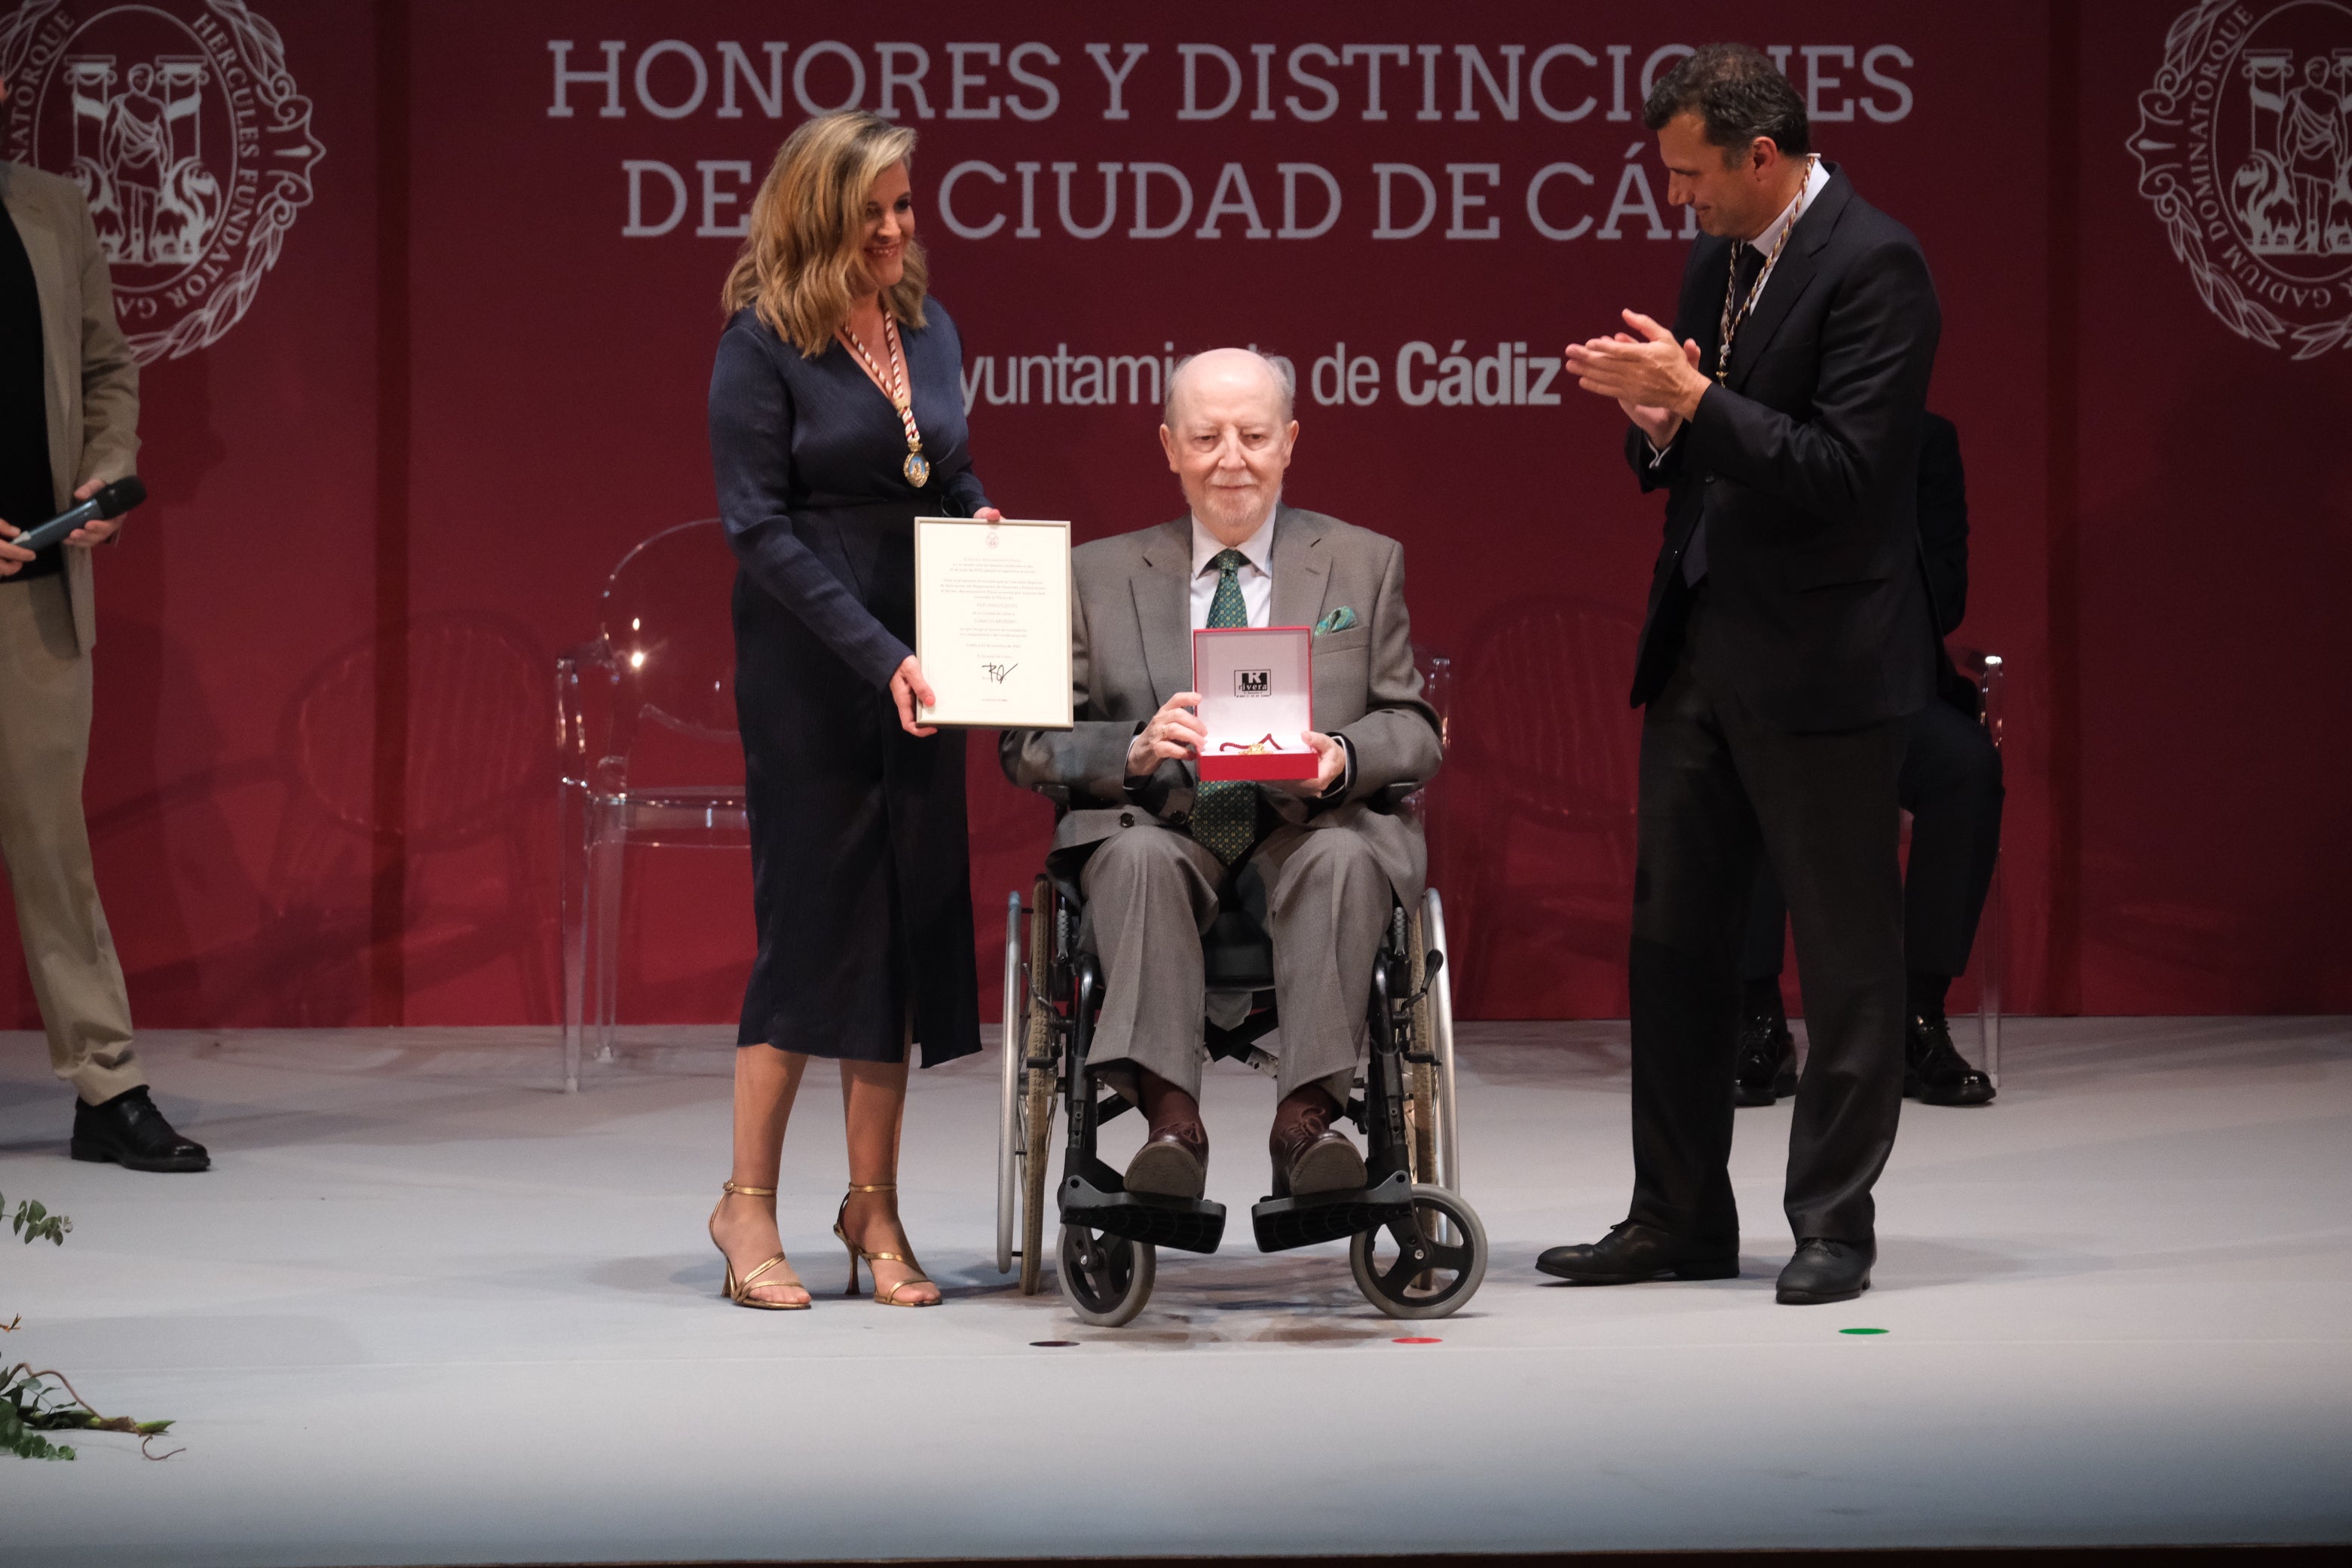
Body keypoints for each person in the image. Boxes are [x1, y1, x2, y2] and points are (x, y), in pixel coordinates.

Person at [1543, 44, 1941, 1306]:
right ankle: (1675, 1216)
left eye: (1692, 174)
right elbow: (1709, 445)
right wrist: (1659, 424)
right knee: (1673, 948)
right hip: (1705, 648)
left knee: (1842, 956)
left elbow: (1845, 474)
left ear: (1762, 157)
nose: (1680, 201)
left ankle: (1833, 1221)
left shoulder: (1878, 264)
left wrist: (1697, 400)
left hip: (1824, 662)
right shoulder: (1719, 259)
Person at [1000, 349, 1441, 1201]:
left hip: (1309, 833)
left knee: (1347, 859)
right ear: (1169, 446)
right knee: (1133, 861)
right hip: (1162, 835)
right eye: (1206, 436)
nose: (1230, 457)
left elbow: (1412, 724)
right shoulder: (1095, 574)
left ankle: (1305, 1125)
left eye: (1252, 435)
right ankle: (1172, 1128)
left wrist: (1344, 756)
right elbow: (1027, 742)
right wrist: (1128, 746)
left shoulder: (1362, 562)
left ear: (1289, 443)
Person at [705, 111, 1000, 1309]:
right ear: (817, 211)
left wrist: (982, 527)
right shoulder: (759, 343)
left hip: (922, 669)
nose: (894, 228)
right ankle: (748, 1208)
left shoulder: (927, 326)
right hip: (815, 673)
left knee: (901, 931)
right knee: (814, 931)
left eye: (905, 205)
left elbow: (947, 468)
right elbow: (756, 528)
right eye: (871, 208)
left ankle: (872, 1210)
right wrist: (881, 654)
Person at [0, 106, 207, 1174]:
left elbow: (106, 369)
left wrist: (102, 473)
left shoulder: (52, 207)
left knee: (51, 845)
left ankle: (106, 1085)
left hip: (34, 584)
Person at [1735, 413, 2001, 1110]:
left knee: (1967, 766)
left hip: (1888, 687)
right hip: (1780, 684)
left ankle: (1917, 1019)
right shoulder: (1759, 434)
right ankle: (1757, 1019)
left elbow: (1949, 591)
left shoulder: (1924, 441)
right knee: (1758, 752)